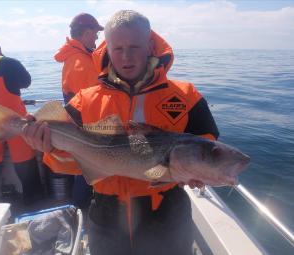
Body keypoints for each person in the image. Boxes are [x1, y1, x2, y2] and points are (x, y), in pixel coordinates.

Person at [23, 10, 219, 255]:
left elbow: (207, 142)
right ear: (107, 47)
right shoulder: (85, 100)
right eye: (118, 49)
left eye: (134, 47)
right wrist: (47, 148)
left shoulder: (186, 95)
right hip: (107, 214)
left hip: (166, 212)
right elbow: (71, 162)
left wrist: (199, 171)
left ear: (149, 45)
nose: (126, 57)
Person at [43, 13, 103, 208]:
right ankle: (81, 212)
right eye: (95, 33)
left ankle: (81, 208)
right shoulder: (81, 62)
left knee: (83, 172)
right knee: (85, 173)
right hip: (86, 131)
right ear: (86, 33)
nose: (97, 37)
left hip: (78, 128)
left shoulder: (76, 57)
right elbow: (93, 101)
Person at [0, 38, 43, 205]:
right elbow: (26, 82)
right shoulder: (11, 63)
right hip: (15, 120)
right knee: (24, 159)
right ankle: (31, 200)